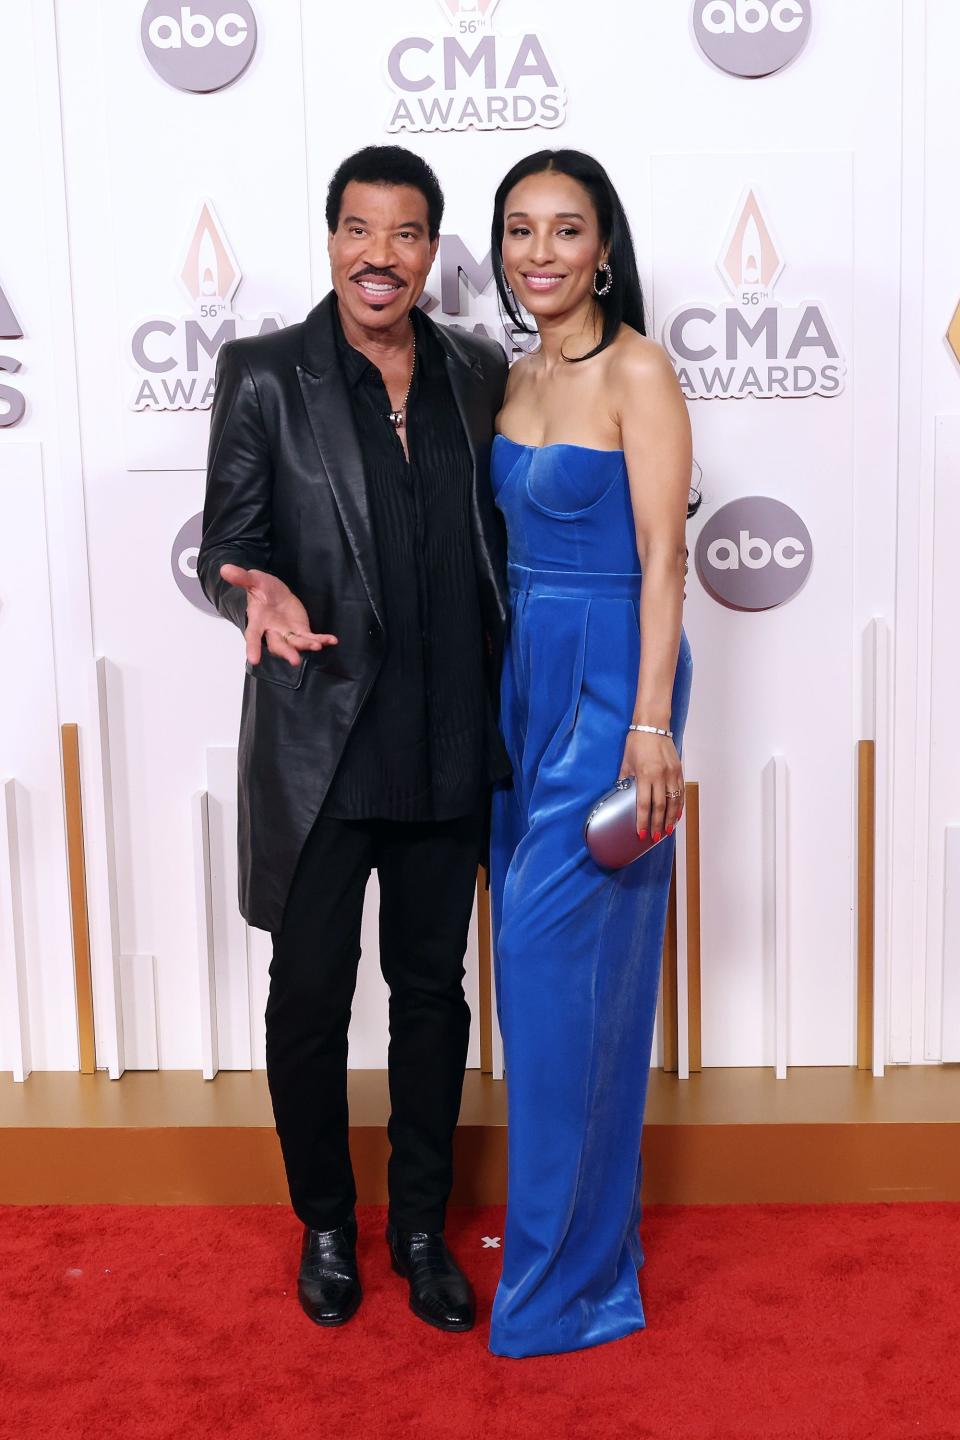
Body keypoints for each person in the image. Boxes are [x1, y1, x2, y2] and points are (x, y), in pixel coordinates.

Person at [197, 145, 511, 1333]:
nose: (381, 257)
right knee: (311, 995)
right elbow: (224, 544)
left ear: (434, 249)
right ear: (330, 237)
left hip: (445, 740)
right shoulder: (266, 374)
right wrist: (249, 595)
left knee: (432, 995)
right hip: (322, 745)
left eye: (408, 234)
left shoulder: (480, 371)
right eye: (359, 231)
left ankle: (421, 1226)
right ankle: (327, 1222)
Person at [487, 149, 698, 1357]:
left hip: (618, 684)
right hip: (528, 682)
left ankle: (567, 1286)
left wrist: (652, 722)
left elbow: (666, 560)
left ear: (604, 246)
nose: (542, 252)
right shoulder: (515, 374)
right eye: (521, 230)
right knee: (550, 991)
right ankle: (576, 1250)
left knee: (561, 980)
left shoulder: (640, 370)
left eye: (567, 230)